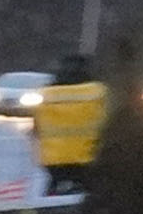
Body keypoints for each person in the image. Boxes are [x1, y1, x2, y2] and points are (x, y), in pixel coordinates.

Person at [30, 47, 110, 190]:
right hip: (87, 159)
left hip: (53, 161)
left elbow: (36, 128)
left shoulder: (46, 94)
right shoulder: (98, 91)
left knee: (53, 194)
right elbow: (109, 122)